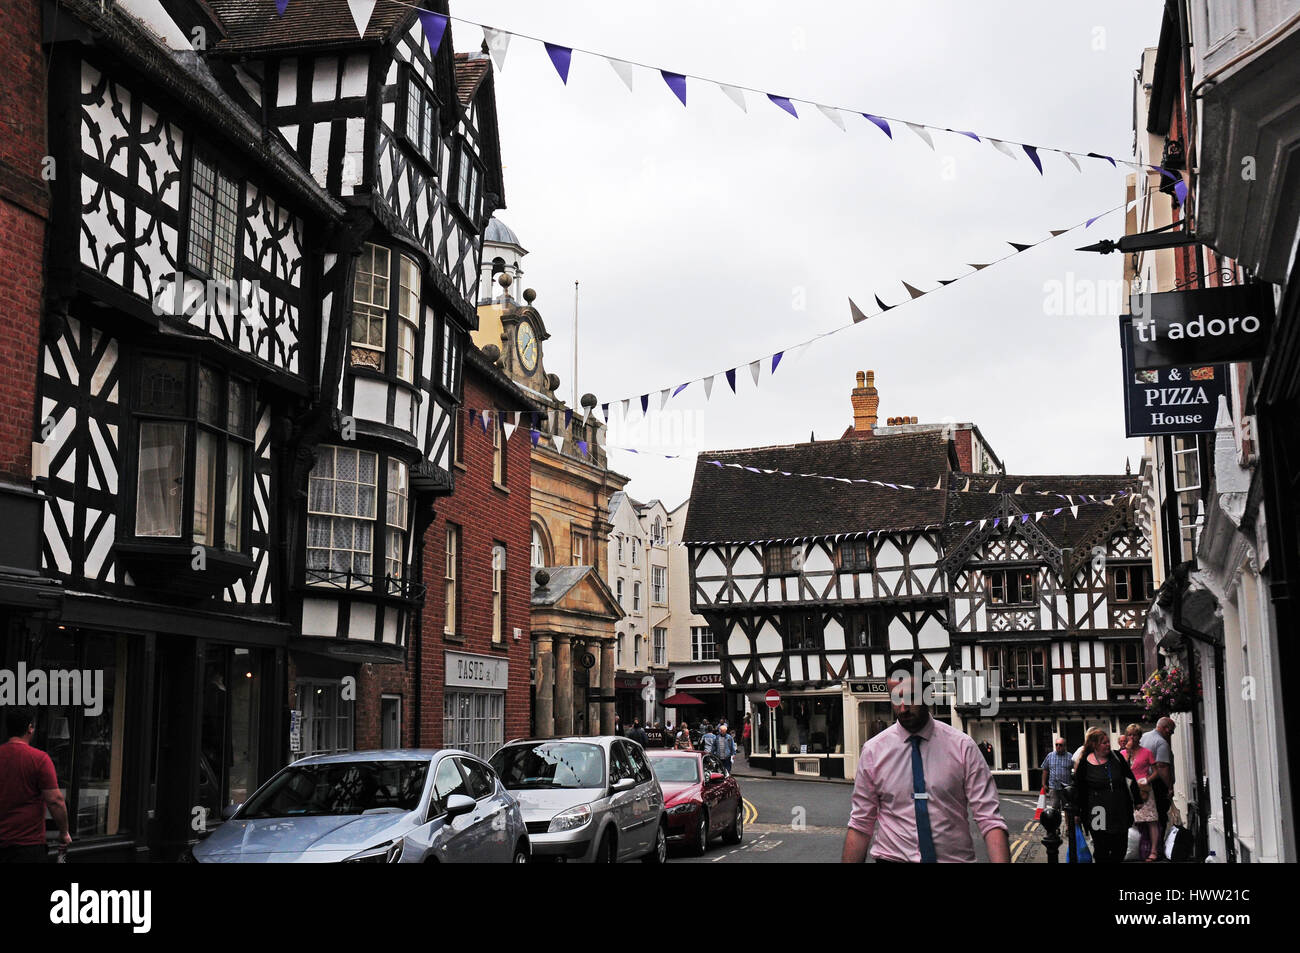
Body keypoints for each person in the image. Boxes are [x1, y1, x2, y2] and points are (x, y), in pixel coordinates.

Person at [842, 676, 1009, 863]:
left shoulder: (963, 747)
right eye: (896, 698)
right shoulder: (873, 751)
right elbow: (860, 824)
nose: (903, 707)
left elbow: (990, 819)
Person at [0, 708, 71, 863]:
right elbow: (55, 801)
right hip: (27, 846)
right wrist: (64, 832)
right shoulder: (39, 759)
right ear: (30, 728)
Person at [1071, 727, 1141, 864]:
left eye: (1108, 742)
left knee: (1120, 848)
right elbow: (1079, 789)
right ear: (1095, 745)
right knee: (1101, 849)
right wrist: (1076, 812)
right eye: (1104, 743)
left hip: (1119, 810)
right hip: (1098, 813)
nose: (1108, 745)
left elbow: (1130, 778)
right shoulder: (1085, 763)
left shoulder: (1117, 757)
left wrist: (1137, 799)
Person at [1122, 724, 1160, 862]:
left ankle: (1154, 851)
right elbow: (1122, 771)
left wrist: (1147, 779)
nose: (1132, 737)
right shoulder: (1123, 754)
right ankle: (1130, 849)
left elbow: (1157, 771)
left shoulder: (1147, 752)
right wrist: (1128, 753)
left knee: (1151, 820)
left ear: (1139, 737)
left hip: (1144, 791)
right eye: (1129, 735)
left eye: (1135, 735)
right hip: (1129, 791)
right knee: (1129, 820)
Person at [1140, 717, 1176, 837]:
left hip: (1144, 782)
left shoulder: (1145, 737)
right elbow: (1162, 767)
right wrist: (1170, 787)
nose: (1172, 734)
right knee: (1160, 816)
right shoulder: (1161, 743)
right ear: (1166, 729)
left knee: (1148, 816)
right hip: (1158, 784)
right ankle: (1158, 847)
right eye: (1171, 731)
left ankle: (1148, 846)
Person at [1039, 737, 1073, 815]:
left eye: (1060, 745)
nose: (1058, 746)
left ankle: (1068, 826)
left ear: (1064, 746)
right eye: (1056, 744)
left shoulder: (1070, 756)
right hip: (1053, 787)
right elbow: (1045, 769)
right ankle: (1056, 825)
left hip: (1066, 787)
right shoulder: (1050, 756)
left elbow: (1075, 769)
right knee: (1054, 807)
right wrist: (1043, 783)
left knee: (1067, 808)